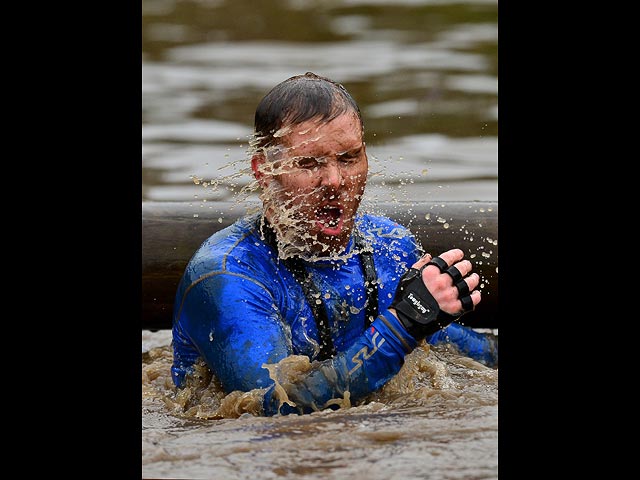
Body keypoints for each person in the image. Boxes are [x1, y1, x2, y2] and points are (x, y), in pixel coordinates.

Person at [171, 72, 498, 416]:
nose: (334, 181)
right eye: (309, 163)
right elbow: (277, 410)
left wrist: (418, 324)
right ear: (263, 170)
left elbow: (450, 352)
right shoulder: (226, 276)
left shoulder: (390, 245)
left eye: (348, 158)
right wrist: (403, 324)